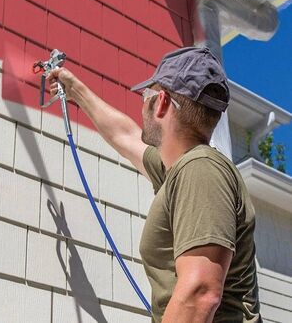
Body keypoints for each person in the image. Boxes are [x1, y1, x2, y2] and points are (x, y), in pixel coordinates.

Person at [48, 47, 261, 323]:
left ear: (160, 101)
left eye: (146, 95)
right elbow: (125, 136)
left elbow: (201, 293)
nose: (142, 104)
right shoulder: (181, 171)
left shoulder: (200, 170)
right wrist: (74, 89)